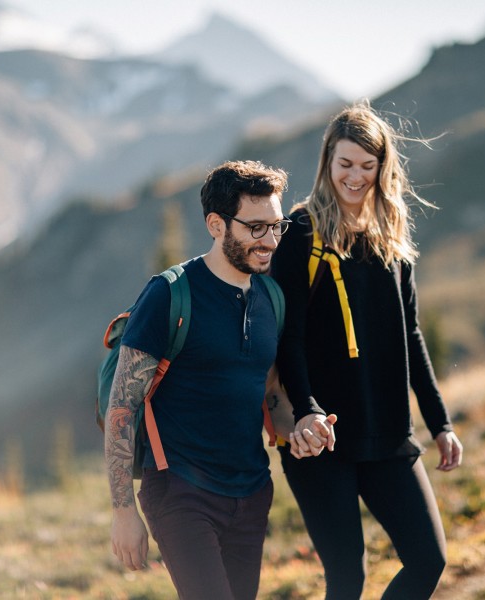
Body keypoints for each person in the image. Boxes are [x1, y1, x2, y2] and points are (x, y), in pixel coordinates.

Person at [271, 102, 464, 599]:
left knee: (428, 559)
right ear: (327, 164)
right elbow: (287, 337)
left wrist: (439, 423)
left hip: (388, 433)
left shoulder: (392, 239)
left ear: (383, 167)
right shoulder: (302, 233)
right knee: (347, 577)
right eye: (345, 164)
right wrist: (307, 410)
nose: (355, 177)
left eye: (367, 165)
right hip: (322, 439)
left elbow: (412, 335)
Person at [104, 160, 294, 600]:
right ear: (216, 224)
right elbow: (122, 407)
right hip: (181, 493)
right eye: (256, 228)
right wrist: (123, 511)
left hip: (251, 493)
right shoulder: (169, 294)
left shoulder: (271, 298)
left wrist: (300, 427)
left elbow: (268, 391)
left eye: (276, 227)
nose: (269, 241)